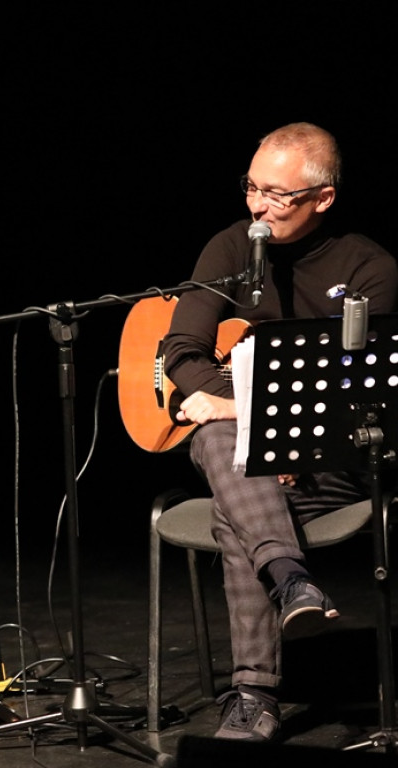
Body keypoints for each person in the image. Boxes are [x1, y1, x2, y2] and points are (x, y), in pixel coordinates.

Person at [161, 122, 397, 742]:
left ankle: (253, 695)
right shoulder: (230, 248)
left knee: (231, 504)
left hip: (331, 465)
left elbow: (357, 392)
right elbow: (182, 349)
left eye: (277, 196)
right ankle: (293, 582)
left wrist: (247, 418)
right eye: (251, 189)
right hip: (245, 458)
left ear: (322, 198)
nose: (258, 208)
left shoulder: (369, 267)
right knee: (219, 444)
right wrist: (244, 421)